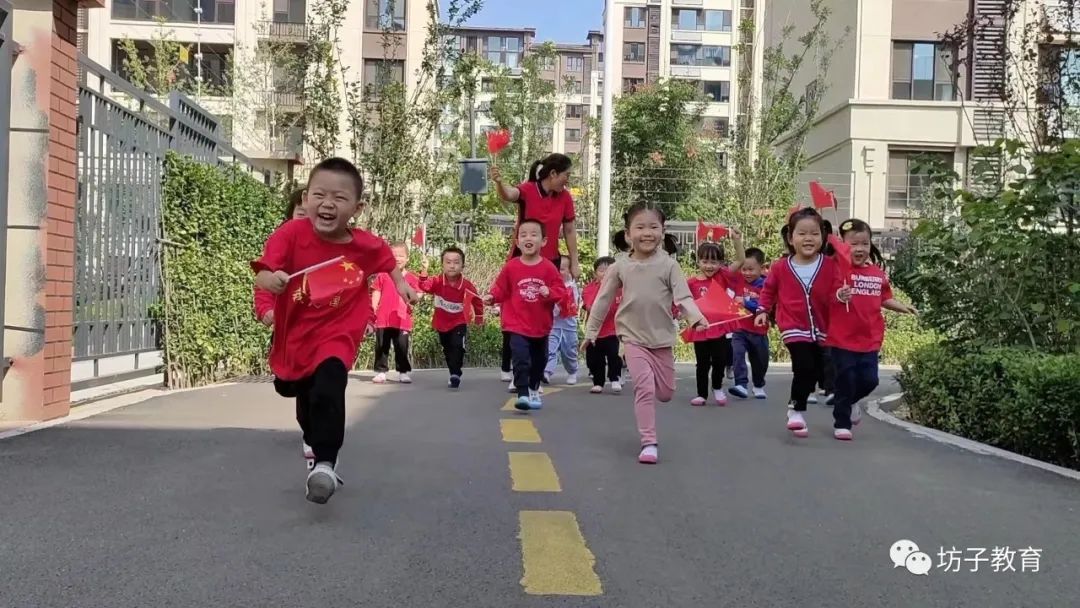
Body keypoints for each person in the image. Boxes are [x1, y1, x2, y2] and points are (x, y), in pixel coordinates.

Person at [252, 157, 418, 504]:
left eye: (339, 198)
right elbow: (262, 274)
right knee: (297, 394)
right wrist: (273, 281)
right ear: (306, 199)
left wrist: (401, 284)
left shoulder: (364, 244)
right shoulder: (290, 235)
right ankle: (315, 439)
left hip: (339, 331)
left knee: (330, 382)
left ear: (356, 208)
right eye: (319, 195)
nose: (327, 204)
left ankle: (325, 465)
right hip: (296, 333)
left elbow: (386, 260)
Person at [583, 201, 707, 465]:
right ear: (628, 234)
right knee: (644, 387)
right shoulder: (620, 266)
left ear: (662, 231)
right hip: (631, 337)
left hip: (661, 339)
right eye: (640, 227)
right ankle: (649, 441)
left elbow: (683, 296)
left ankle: (653, 420)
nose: (647, 233)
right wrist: (591, 332)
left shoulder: (669, 265)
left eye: (653, 227)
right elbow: (602, 301)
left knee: (665, 393)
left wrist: (695, 318)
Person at [491, 154, 580, 385]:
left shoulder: (565, 198)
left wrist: (575, 261)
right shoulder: (529, 190)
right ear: (553, 174)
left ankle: (534, 372)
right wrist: (499, 182)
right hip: (522, 262)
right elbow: (510, 195)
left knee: (542, 317)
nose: (567, 181)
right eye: (566, 175)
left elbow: (569, 231)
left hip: (549, 262)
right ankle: (519, 370)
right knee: (519, 314)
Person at [754, 208, 839, 438]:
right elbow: (768, 291)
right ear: (791, 238)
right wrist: (762, 310)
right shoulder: (781, 267)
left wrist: (843, 296)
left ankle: (845, 402)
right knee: (804, 365)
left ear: (823, 237)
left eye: (814, 233)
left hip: (823, 328)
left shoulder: (831, 265)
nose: (808, 238)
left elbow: (837, 291)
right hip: (792, 325)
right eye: (802, 233)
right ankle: (796, 410)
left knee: (823, 368)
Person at [828, 219, 917, 440]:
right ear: (843, 244)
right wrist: (840, 295)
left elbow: (885, 298)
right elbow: (824, 297)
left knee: (870, 381)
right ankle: (842, 422)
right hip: (841, 339)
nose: (859, 249)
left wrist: (902, 307)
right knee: (845, 379)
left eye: (865, 244)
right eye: (853, 244)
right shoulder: (834, 268)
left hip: (869, 338)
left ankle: (849, 401)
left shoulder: (877, 273)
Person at [485, 219, 569, 411]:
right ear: (517, 242)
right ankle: (522, 393)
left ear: (544, 241)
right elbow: (500, 288)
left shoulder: (549, 268)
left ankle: (533, 388)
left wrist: (550, 293)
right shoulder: (511, 266)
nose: (528, 238)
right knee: (521, 358)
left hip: (540, 326)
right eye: (523, 235)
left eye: (533, 234)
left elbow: (561, 292)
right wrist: (491, 297)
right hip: (516, 324)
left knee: (540, 361)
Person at [684, 237, 744, 406]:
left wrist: (737, 240)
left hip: (719, 328)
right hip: (700, 329)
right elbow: (683, 303)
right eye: (705, 261)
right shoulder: (691, 283)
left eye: (714, 262)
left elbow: (740, 260)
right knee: (702, 363)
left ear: (720, 263)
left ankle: (717, 387)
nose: (709, 266)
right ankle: (701, 394)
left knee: (720, 360)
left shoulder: (722, 276)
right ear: (698, 261)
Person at [418, 246, 485, 389]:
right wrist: (424, 270)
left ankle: (455, 374)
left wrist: (479, 317)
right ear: (442, 264)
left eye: (456, 262)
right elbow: (423, 286)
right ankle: (452, 371)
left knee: (457, 346)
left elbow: (477, 300)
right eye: (448, 262)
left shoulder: (466, 285)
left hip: (459, 321)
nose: (452, 265)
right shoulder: (437, 281)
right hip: (442, 323)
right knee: (447, 348)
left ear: (462, 266)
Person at [254, 188, 307, 327]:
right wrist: (265, 308)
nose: (306, 220)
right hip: (286, 322)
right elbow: (265, 277)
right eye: (301, 214)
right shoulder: (282, 241)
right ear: (291, 215)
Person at [371, 243, 422, 384]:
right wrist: (373, 310)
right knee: (382, 346)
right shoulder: (382, 275)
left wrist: (414, 300)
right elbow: (376, 291)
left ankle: (403, 372)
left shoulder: (411, 277)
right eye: (394, 256)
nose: (397, 258)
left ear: (407, 258)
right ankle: (381, 372)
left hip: (402, 319)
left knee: (402, 347)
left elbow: (418, 293)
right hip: (383, 318)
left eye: (401, 255)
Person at [728, 247, 770, 400]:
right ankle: (741, 384)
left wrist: (745, 303)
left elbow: (764, 306)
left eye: (751, 269)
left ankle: (758, 385)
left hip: (759, 330)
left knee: (760, 360)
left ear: (761, 267)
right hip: (740, 329)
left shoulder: (766, 285)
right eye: (744, 269)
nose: (747, 273)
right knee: (737, 354)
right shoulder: (738, 279)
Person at [582, 256, 622, 395]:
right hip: (595, 331)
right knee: (595, 359)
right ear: (595, 274)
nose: (605, 273)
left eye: (609, 270)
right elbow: (590, 306)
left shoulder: (621, 289)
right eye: (601, 270)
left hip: (613, 330)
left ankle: (615, 378)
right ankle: (598, 382)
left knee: (613, 355)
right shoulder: (589, 289)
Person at [544, 255, 581, 385]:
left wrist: (559, 302)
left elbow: (571, 306)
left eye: (563, 269)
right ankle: (547, 372)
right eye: (557, 269)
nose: (559, 272)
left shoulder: (572, 286)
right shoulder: (549, 286)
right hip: (553, 325)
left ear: (570, 271)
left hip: (568, 326)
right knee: (550, 349)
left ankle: (572, 371)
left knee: (569, 352)